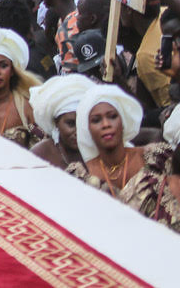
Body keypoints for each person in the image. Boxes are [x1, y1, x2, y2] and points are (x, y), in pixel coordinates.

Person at [67, 84, 172, 219]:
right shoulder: (80, 177)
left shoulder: (157, 158)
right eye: (96, 120)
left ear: (123, 121)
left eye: (112, 116)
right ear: (87, 129)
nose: (106, 124)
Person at [30, 74, 93, 168]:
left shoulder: (101, 151)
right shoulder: (39, 155)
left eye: (83, 123)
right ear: (56, 122)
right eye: (71, 124)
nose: (78, 131)